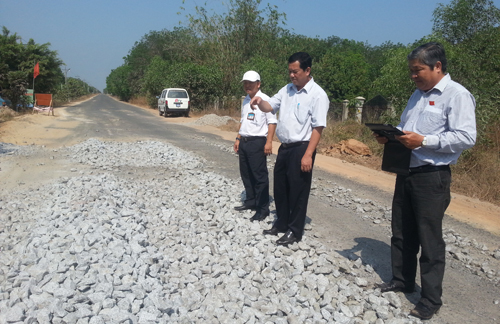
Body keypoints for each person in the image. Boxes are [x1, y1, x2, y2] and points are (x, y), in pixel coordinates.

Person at [374, 42, 476, 320]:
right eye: (411, 71)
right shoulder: (417, 95)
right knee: (401, 230)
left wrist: (425, 141)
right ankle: (401, 280)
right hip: (407, 171)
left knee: (430, 240)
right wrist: (391, 137)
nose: (413, 76)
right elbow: (409, 131)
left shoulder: (457, 95)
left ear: (437, 67)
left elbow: (467, 137)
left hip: (432, 178)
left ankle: (430, 299)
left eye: (417, 70)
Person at [250, 52, 330, 246]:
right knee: (281, 188)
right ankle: (282, 223)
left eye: (295, 72)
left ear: (307, 70)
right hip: (285, 148)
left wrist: (308, 154)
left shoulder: (317, 95)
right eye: (290, 72)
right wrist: (260, 102)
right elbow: (271, 107)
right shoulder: (287, 90)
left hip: (302, 148)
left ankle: (295, 230)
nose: (292, 75)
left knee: (298, 191)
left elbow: (318, 127)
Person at [233, 71, 277, 222]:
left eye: (251, 83)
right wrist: (238, 138)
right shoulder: (245, 100)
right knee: (246, 173)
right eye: (245, 83)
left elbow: (272, 122)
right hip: (244, 140)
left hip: (258, 142)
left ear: (258, 84)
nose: (247, 86)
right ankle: (251, 201)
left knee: (259, 176)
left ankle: (262, 208)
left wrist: (269, 142)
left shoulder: (265, 100)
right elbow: (243, 120)